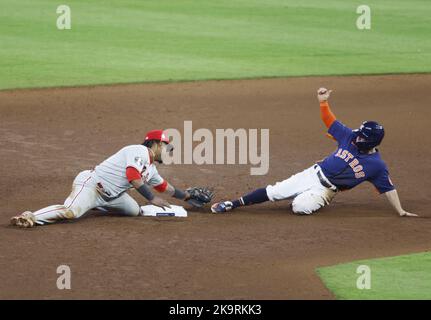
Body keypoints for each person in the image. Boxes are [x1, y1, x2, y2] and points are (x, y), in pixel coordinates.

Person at [211, 88, 418, 217]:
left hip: (326, 190)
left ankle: (305, 197)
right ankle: (233, 203)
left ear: (371, 141)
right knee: (275, 192)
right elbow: (330, 121)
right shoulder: (349, 136)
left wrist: (400, 211)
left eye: (362, 136)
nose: (357, 136)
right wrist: (323, 102)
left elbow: (388, 188)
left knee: (299, 208)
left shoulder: (376, 166)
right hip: (313, 172)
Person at [11, 130, 212, 228]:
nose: (168, 150)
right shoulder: (139, 151)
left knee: (133, 210)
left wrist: (186, 196)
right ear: (155, 144)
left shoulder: (151, 168)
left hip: (112, 196)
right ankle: (31, 217)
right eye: (166, 145)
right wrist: (152, 199)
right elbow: (132, 176)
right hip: (91, 185)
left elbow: (163, 187)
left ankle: (94, 206)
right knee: (71, 212)